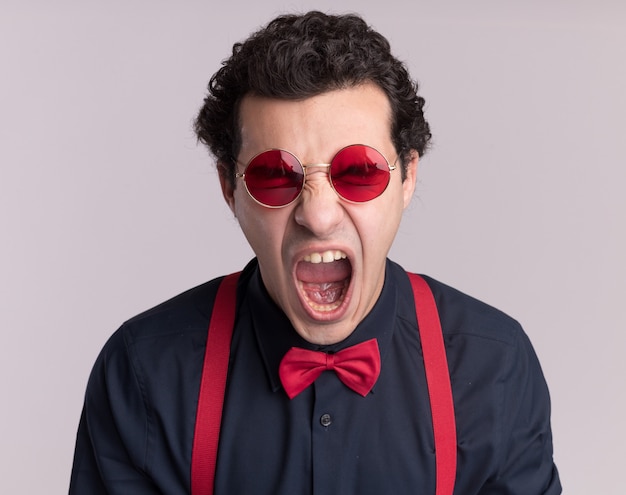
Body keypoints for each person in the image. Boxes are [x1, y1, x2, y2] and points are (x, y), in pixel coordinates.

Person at [69, 11, 561, 495]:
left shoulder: (494, 366)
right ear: (229, 188)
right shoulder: (142, 374)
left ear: (407, 177)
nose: (318, 215)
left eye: (359, 171)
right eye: (275, 176)